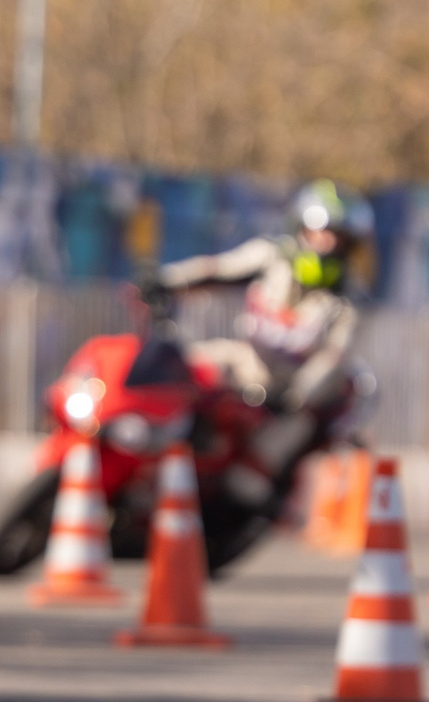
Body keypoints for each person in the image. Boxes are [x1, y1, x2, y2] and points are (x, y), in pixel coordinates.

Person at [154, 180, 373, 487]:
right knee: (178, 369)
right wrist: (164, 280)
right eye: (321, 233)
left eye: (338, 238)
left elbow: (333, 358)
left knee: (247, 483)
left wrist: (296, 395)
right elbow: (216, 269)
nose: (327, 244)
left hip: (289, 399)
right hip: (245, 364)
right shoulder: (271, 258)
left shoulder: (348, 300)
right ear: (302, 229)